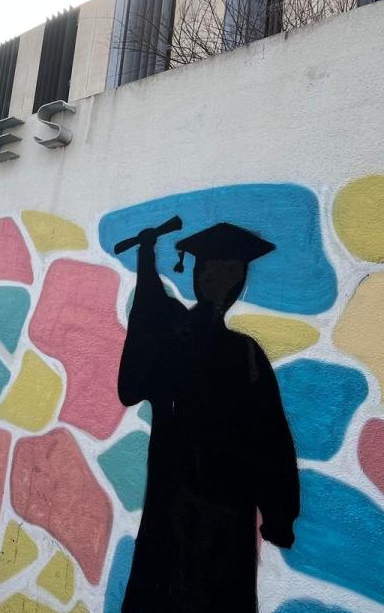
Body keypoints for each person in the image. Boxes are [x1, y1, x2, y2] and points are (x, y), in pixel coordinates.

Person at [114, 219, 299, 613]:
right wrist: (279, 515)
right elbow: (272, 440)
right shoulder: (209, 346)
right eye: (217, 269)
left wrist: (279, 513)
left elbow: (270, 438)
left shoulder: (234, 351)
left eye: (232, 271)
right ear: (199, 274)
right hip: (194, 512)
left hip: (209, 514)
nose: (223, 280)